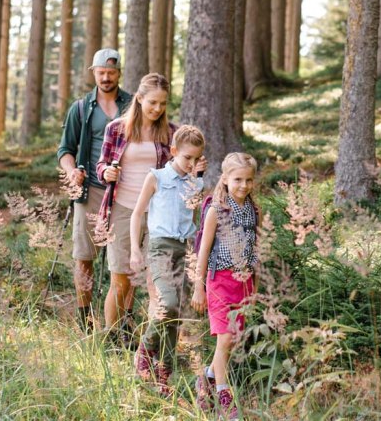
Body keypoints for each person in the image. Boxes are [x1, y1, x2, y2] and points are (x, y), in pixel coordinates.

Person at [96, 73, 205, 343]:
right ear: (140, 98)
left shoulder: (171, 132)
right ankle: (114, 338)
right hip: (123, 209)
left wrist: (197, 175)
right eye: (152, 102)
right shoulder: (117, 129)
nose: (157, 109)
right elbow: (101, 165)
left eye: (163, 104)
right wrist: (106, 172)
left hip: (160, 214)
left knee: (155, 282)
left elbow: (185, 170)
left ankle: (152, 345)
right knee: (121, 279)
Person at [56, 48, 132, 331]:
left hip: (125, 191)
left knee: (123, 260)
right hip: (90, 190)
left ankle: (121, 321)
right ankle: (84, 317)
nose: (106, 77)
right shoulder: (81, 107)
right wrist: (71, 170)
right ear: (94, 73)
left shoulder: (132, 105)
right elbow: (65, 150)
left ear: (118, 73)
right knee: (84, 256)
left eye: (111, 73)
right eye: (101, 72)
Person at [127, 125, 206, 396]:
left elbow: (195, 218)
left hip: (184, 250)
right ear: (173, 152)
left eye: (196, 159)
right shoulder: (156, 177)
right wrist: (136, 250)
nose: (191, 164)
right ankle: (145, 350)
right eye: (187, 158)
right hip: (160, 248)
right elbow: (137, 214)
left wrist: (198, 177)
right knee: (167, 303)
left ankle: (164, 374)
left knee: (175, 313)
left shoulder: (195, 182)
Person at [191, 152, 261, 420]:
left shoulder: (253, 210)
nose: (244, 185)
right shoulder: (216, 210)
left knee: (230, 340)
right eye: (238, 179)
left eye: (249, 180)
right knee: (225, 337)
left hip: (243, 281)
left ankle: (206, 378)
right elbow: (204, 251)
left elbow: (254, 247)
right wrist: (199, 287)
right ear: (225, 179)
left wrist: (254, 283)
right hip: (219, 279)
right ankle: (224, 395)